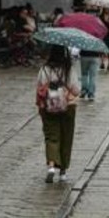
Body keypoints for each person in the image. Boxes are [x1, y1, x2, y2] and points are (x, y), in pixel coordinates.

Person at [36, 45, 80, 183]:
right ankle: (63, 171)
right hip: (68, 106)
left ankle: (51, 166)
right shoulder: (69, 69)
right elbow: (76, 90)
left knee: (51, 136)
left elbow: (39, 86)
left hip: (48, 106)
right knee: (66, 137)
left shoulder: (44, 69)